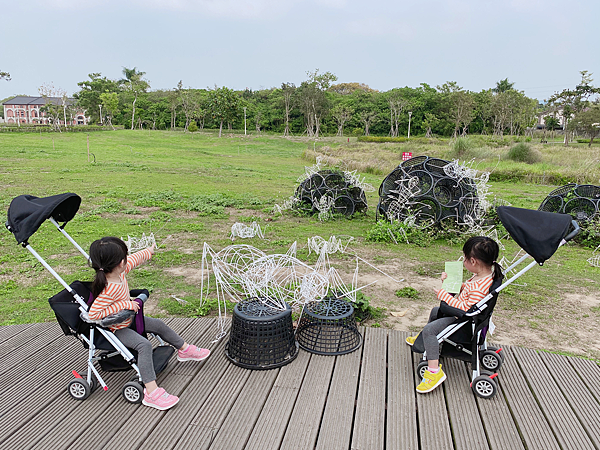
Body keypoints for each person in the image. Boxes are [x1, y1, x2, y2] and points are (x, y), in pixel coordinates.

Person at [88, 236, 210, 410]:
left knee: (158, 325)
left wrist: (148, 252)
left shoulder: (119, 272)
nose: (127, 259)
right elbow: (94, 314)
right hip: (117, 329)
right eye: (125, 256)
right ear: (119, 263)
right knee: (143, 345)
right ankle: (151, 392)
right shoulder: (109, 287)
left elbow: (134, 260)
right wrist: (125, 304)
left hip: (128, 319)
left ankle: (184, 350)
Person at [405, 236, 502, 394]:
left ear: (473, 261)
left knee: (431, 330)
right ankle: (423, 340)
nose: (463, 261)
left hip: (463, 322)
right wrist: (453, 283)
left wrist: (446, 296)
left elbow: (465, 309)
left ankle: (434, 372)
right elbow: (469, 291)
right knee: (435, 312)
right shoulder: (486, 276)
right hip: (469, 318)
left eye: (464, 258)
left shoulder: (479, 288)